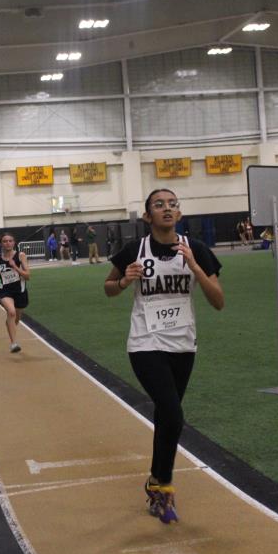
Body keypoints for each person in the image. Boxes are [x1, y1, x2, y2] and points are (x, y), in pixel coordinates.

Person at [104, 189, 223, 524]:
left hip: (183, 345)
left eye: (172, 204)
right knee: (173, 413)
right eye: (159, 205)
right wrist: (124, 281)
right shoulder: (135, 250)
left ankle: (155, 481)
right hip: (145, 342)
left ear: (179, 214)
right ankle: (165, 487)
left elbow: (218, 301)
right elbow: (108, 287)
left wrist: (195, 267)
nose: (167, 209)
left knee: (167, 418)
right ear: (147, 216)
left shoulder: (195, 249)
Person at [0, 233, 30, 353]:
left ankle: (10, 325)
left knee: (16, 318)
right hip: (5, 291)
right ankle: (13, 344)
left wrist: (15, 267)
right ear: (1, 243)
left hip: (20, 291)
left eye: (10, 241)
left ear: (14, 242)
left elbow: (28, 276)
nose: (8, 243)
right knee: (11, 312)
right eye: (5, 241)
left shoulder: (21, 256)